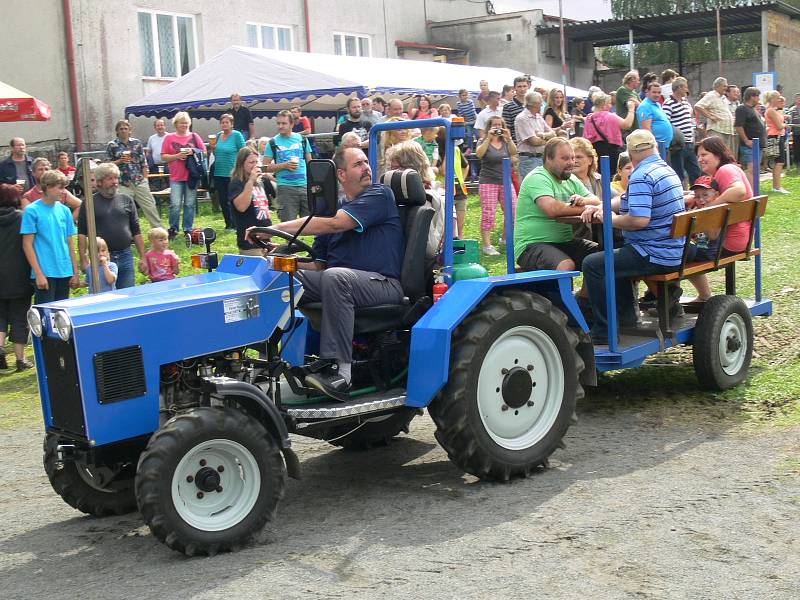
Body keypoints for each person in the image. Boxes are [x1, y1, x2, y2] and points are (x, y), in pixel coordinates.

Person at [250, 147, 405, 398]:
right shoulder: (333, 210)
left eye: (366, 162)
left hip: (383, 284)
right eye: (358, 164)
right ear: (341, 174)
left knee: (337, 277)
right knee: (276, 273)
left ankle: (340, 371)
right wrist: (283, 260)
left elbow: (337, 224)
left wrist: (274, 227)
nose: (366, 167)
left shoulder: (380, 195)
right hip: (340, 283)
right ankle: (263, 360)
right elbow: (318, 265)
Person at [581, 130, 686, 345]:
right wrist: (601, 206)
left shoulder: (642, 175)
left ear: (630, 152)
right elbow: (625, 199)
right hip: (673, 248)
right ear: (654, 147)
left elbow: (639, 221)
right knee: (613, 254)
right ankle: (626, 318)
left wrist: (609, 219)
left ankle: (603, 330)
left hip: (654, 253)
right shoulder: (665, 169)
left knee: (592, 264)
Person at [514, 137, 600, 275]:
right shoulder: (538, 177)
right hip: (531, 245)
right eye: (565, 158)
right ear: (548, 158)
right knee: (565, 265)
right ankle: (557, 297)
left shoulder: (571, 179)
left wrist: (583, 201)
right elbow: (552, 209)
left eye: (572, 158)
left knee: (602, 257)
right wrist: (586, 208)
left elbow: (595, 200)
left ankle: (584, 297)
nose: (571, 163)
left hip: (564, 242)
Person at [685, 136, 755, 301]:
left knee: (672, 252)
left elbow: (739, 191)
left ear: (718, 155)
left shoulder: (725, 170)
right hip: (738, 239)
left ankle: (673, 297)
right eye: (699, 156)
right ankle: (703, 295)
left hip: (728, 243)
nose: (700, 159)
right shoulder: (727, 170)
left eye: (705, 154)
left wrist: (711, 206)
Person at [78, 162, 147, 289]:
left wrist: (143, 257)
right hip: (102, 258)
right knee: (106, 296)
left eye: (116, 178)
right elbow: (82, 233)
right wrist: (83, 259)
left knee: (127, 294)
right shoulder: (89, 203)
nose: (115, 181)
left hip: (126, 255)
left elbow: (136, 230)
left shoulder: (127, 200)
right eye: (110, 178)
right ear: (99, 182)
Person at [20, 170, 79, 304]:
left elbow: (69, 243)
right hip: (45, 271)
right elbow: (27, 244)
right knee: (45, 317)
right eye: (60, 187)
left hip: (64, 270)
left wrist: (75, 272)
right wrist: (38, 274)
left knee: (61, 316)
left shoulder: (64, 210)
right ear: (47, 187)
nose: (63, 191)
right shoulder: (32, 210)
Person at [388, 139, 449, 259]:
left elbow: (432, 248)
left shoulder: (432, 198)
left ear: (411, 169)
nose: (391, 174)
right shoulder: (392, 198)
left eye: (395, 169)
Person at [0, 183, 34, 371]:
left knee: (1, 316)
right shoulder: (22, 219)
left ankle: (0, 349)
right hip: (20, 275)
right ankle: (21, 360)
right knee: (20, 317)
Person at [107, 119, 163, 229]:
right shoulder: (112, 145)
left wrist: (145, 179)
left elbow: (144, 162)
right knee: (124, 210)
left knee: (150, 207)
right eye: (121, 129)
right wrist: (119, 161)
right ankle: (127, 234)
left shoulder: (137, 143)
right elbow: (108, 165)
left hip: (139, 181)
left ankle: (159, 232)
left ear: (130, 131)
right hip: (123, 183)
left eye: (126, 128)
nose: (123, 131)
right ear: (117, 131)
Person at [476, 115, 518, 255]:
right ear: (489, 127)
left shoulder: (505, 141)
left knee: (512, 210)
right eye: (494, 125)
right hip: (488, 181)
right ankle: (487, 245)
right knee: (489, 213)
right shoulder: (483, 140)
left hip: (505, 180)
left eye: (500, 125)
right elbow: (479, 154)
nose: (497, 127)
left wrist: (509, 138)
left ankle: (505, 239)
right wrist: (488, 138)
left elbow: (514, 152)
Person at [161, 111, 207, 238]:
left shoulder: (194, 136)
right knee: (175, 204)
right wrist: (177, 156)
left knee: (189, 204)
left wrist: (192, 151)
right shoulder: (169, 138)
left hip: (191, 175)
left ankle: (188, 228)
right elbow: (163, 156)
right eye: (182, 123)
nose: (184, 125)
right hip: (176, 176)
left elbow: (204, 152)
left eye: (186, 123)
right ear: (176, 124)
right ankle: (173, 229)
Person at [263, 110, 313, 222]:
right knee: (288, 226)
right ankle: (291, 241)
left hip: (305, 186)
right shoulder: (272, 142)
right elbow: (264, 167)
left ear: (292, 124)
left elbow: (310, 163)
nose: (280, 126)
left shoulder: (302, 139)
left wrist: (312, 183)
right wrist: (284, 165)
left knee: (310, 223)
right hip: (285, 188)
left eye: (284, 123)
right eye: (278, 123)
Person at [230, 147, 273, 256]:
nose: (255, 165)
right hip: (249, 242)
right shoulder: (237, 183)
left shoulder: (260, 182)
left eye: (256, 161)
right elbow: (241, 207)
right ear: (241, 164)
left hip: (265, 240)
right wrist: (251, 181)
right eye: (251, 162)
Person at [208, 113, 245, 229]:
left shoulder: (236, 135)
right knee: (223, 200)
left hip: (233, 173)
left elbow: (243, 152)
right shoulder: (218, 136)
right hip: (219, 172)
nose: (224, 124)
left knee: (234, 199)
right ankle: (228, 224)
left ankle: (237, 223)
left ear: (231, 124)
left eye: (227, 122)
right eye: (222, 122)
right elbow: (217, 153)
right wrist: (212, 149)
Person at [584, 92, 636, 173]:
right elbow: (627, 124)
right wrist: (631, 110)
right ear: (604, 105)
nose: (611, 106)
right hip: (612, 151)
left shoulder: (588, 118)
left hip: (595, 151)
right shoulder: (610, 116)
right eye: (609, 103)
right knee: (612, 174)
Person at [663, 77, 702, 186]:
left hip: (690, 143)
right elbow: (666, 123)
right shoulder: (668, 103)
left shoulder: (686, 102)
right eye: (685, 87)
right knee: (678, 174)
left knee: (695, 172)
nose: (687, 89)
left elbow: (689, 117)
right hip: (678, 145)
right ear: (679, 88)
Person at [514, 91, 559, 180]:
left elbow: (553, 134)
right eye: (540, 103)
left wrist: (542, 135)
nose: (542, 105)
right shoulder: (522, 118)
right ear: (533, 104)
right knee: (533, 188)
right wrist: (547, 138)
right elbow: (533, 141)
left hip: (542, 158)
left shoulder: (538, 117)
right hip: (529, 160)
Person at [694, 77, 736, 153]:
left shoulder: (723, 97)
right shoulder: (711, 95)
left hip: (726, 131)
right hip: (717, 130)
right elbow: (698, 106)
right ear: (717, 86)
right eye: (724, 86)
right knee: (716, 152)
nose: (726, 88)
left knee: (726, 154)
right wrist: (710, 116)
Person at [734, 87, 765, 186]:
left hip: (757, 145)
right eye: (757, 96)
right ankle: (752, 193)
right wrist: (746, 140)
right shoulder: (742, 109)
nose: (759, 99)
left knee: (755, 170)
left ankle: (755, 191)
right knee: (751, 170)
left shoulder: (752, 109)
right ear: (752, 96)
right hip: (749, 146)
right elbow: (738, 126)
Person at [764, 92, 789, 194]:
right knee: (779, 162)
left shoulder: (773, 110)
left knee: (779, 162)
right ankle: (777, 187)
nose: (779, 100)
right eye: (778, 98)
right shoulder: (771, 111)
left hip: (778, 136)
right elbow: (779, 126)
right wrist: (785, 125)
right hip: (776, 136)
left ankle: (777, 186)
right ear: (773, 99)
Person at [636, 81, 673, 149]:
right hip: (656, 147)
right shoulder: (645, 106)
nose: (657, 95)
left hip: (663, 146)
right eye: (654, 92)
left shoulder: (657, 104)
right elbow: (646, 129)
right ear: (647, 92)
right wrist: (654, 145)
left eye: (659, 93)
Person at [502, 75, 530, 142]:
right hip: (517, 143)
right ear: (514, 88)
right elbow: (507, 128)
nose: (522, 89)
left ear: (528, 87)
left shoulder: (532, 104)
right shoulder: (508, 106)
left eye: (524, 86)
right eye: (519, 86)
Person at [787, 92, 800, 166]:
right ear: (795, 100)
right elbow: (790, 121)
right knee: (796, 147)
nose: (799, 100)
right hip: (796, 132)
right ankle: (797, 162)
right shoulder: (792, 110)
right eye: (798, 99)